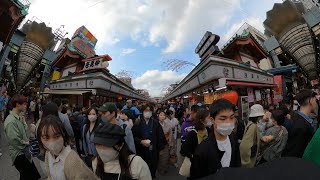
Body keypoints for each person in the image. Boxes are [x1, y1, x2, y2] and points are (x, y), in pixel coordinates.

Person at [190, 99, 240, 179]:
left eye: (231, 117)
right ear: (212, 120)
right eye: (223, 119)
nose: (228, 122)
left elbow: (237, 165)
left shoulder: (233, 138)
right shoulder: (202, 149)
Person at [37, 115, 95, 180]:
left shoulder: (72, 160)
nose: (52, 142)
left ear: (63, 135)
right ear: (40, 139)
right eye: (46, 138)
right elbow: (50, 176)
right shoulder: (48, 154)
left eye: (56, 136)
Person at [4, 94, 41, 180]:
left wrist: (24, 121)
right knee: (29, 176)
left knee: (28, 175)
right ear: (17, 104)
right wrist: (28, 143)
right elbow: (15, 141)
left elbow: (24, 132)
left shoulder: (18, 117)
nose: (26, 105)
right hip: (19, 154)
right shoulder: (11, 121)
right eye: (24, 104)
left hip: (24, 152)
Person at [132, 104, 166, 179]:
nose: (147, 112)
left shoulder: (156, 123)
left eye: (149, 111)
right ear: (142, 112)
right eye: (146, 111)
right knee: (142, 169)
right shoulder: (138, 123)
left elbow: (160, 136)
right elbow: (133, 137)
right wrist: (140, 141)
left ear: (152, 112)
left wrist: (161, 149)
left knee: (152, 167)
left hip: (153, 150)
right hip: (141, 151)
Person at [283, 89, 317, 157]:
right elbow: (296, 153)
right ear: (310, 101)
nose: (316, 103)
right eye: (315, 100)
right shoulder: (301, 127)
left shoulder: (298, 118)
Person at [240, 104, 263, 168]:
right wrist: (246, 162)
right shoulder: (253, 126)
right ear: (257, 117)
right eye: (260, 116)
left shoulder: (250, 123)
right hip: (250, 162)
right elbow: (244, 146)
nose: (261, 118)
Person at [158, 110, 172, 175]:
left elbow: (170, 134)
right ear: (158, 116)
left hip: (166, 142)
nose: (162, 116)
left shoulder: (167, 124)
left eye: (163, 115)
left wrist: (170, 142)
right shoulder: (156, 124)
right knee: (160, 157)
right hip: (158, 143)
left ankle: (163, 169)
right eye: (161, 115)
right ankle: (160, 169)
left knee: (165, 157)